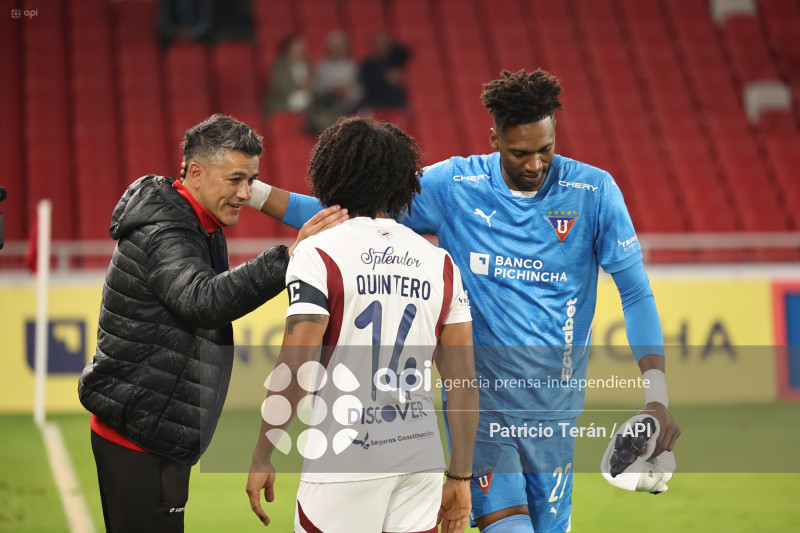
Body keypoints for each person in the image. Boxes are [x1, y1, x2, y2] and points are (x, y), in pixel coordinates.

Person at [186, 69, 682, 532]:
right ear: (494, 140)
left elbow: (636, 291)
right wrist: (248, 190)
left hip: (555, 416)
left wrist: (656, 398)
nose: (534, 164)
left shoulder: (593, 192)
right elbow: (345, 209)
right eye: (518, 153)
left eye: (545, 151)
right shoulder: (455, 186)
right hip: (481, 414)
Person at [78, 114, 347, 533]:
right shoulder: (166, 230)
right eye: (236, 180)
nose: (245, 194)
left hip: (152, 424)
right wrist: (289, 258)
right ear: (197, 173)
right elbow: (201, 300)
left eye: (252, 181)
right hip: (140, 432)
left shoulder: (192, 218)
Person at [245, 117, 479, 533]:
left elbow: (297, 363)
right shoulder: (440, 264)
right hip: (419, 461)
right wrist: (460, 477)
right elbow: (462, 380)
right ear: (401, 183)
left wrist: (265, 451)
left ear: (329, 176)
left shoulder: (318, 252)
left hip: (345, 458)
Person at [305, 31, 362, 132]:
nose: (338, 50)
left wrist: (347, 92)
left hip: (346, 105)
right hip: (326, 102)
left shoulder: (352, 67)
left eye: (340, 47)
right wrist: (332, 88)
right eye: (335, 47)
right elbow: (316, 88)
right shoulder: (321, 66)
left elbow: (359, 91)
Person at [358, 32, 410, 112]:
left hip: (397, 103)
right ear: (373, 45)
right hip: (375, 103)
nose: (382, 45)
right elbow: (368, 86)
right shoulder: (368, 64)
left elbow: (406, 51)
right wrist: (385, 78)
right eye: (379, 42)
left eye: (385, 42)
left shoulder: (394, 59)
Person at [263, 34, 312, 115]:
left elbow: (311, 83)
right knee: (304, 101)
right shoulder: (281, 64)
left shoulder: (305, 63)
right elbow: (279, 85)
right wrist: (298, 85)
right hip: (283, 100)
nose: (300, 50)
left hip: (303, 97)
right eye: (297, 47)